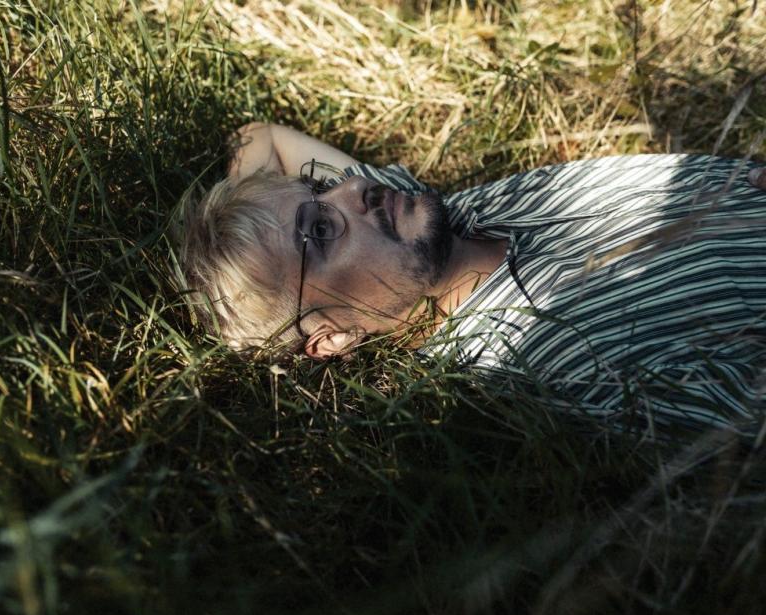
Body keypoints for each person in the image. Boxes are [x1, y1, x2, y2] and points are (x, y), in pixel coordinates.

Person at [181, 122, 766, 435]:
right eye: (320, 230)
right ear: (331, 338)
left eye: (320, 188)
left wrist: (227, 241)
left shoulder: (436, 221)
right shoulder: (550, 357)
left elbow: (260, 137)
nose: (355, 187)